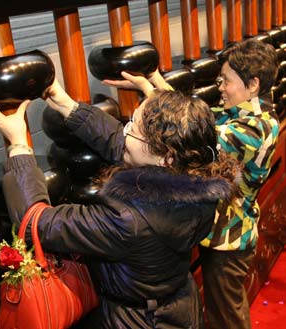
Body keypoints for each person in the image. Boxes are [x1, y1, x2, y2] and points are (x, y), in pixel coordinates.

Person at [0, 80, 241, 328]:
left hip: (138, 321)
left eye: (134, 128)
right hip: (181, 306)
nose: (126, 130)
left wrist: (18, 146)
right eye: (132, 120)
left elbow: (36, 221)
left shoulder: (129, 219)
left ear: (166, 158)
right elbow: (120, 143)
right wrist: (69, 107)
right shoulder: (199, 176)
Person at [103, 38, 280, 329]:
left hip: (230, 240)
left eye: (226, 81)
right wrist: (153, 79)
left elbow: (195, 133)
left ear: (253, 84)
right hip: (225, 234)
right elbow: (200, 119)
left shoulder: (254, 128)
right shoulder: (246, 113)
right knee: (225, 310)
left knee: (226, 317)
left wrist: (150, 94)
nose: (220, 87)